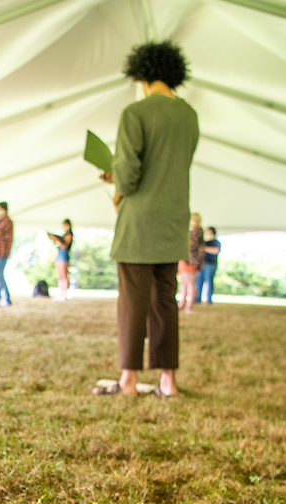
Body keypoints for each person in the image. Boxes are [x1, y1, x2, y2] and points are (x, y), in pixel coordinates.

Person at [94, 40, 199, 398]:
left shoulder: (135, 113)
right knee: (164, 302)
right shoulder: (189, 115)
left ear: (142, 74)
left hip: (139, 224)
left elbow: (130, 175)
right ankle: (167, 381)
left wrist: (116, 183)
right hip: (172, 223)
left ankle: (129, 381)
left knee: (133, 305)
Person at [178, 212, 203, 313]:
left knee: (189, 283)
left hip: (190, 260)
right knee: (184, 283)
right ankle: (182, 303)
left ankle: (188, 306)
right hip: (187, 260)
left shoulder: (197, 231)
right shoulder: (195, 230)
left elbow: (193, 245)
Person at [46, 220, 74, 300]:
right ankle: (61, 293)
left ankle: (64, 294)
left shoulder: (69, 234)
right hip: (60, 255)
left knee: (64, 275)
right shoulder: (65, 234)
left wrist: (56, 239)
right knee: (60, 276)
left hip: (64, 256)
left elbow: (65, 246)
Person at [198, 226, 221, 303]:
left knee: (209, 281)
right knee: (199, 281)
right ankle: (198, 298)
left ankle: (209, 299)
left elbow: (216, 251)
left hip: (211, 264)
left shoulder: (216, 242)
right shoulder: (205, 242)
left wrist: (204, 248)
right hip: (202, 264)